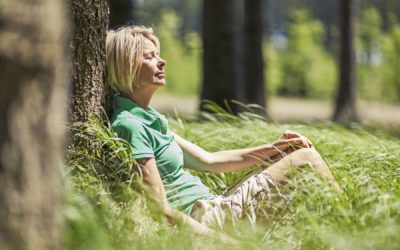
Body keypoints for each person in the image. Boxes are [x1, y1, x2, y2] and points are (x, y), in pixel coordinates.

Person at [106, 26, 340, 237]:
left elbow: (211, 161)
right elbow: (161, 209)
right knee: (305, 159)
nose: (162, 61)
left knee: (289, 154)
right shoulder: (130, 125)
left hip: (216, 205)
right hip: (207, 219)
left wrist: (275, 147)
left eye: (157, 54)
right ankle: (352, 225)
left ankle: (332, 231)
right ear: (128, 65)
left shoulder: (150, 118)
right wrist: (222, 242)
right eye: (150, 57)